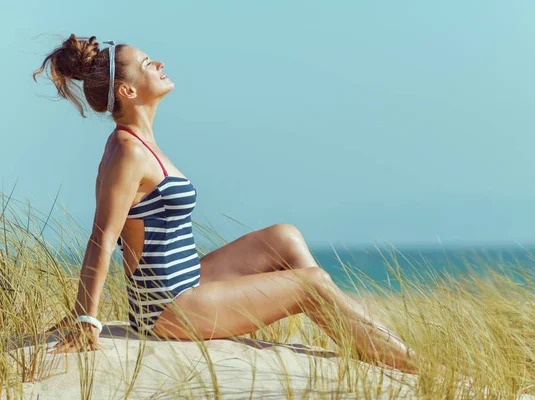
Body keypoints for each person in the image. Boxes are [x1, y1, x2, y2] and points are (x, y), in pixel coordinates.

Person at [33, 34, 423, 374]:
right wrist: (87, 317)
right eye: (149, 64)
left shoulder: (142, 143)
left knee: (284, 237)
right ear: (128, 91)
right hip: (168, 309)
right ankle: (412, 366)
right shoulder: (126, 151)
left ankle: (366, 345)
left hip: (188, 283)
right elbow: (102, 238)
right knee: (313, 284)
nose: (160, 64)